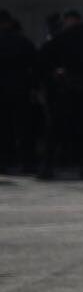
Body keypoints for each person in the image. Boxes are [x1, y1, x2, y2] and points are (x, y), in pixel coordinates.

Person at [36, 10, 83, 179]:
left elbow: (42, 58)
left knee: (55, 128)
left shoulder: (61, 36)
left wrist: (53, 74)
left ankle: (48, 166)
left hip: (67, 87)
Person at [0, 10, 38, 173]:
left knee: (3, 128)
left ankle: (4, 161)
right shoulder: (23, 41)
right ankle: (26, 162)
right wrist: (35, 87)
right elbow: (36, 65)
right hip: (21, 89)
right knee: (24, 128)